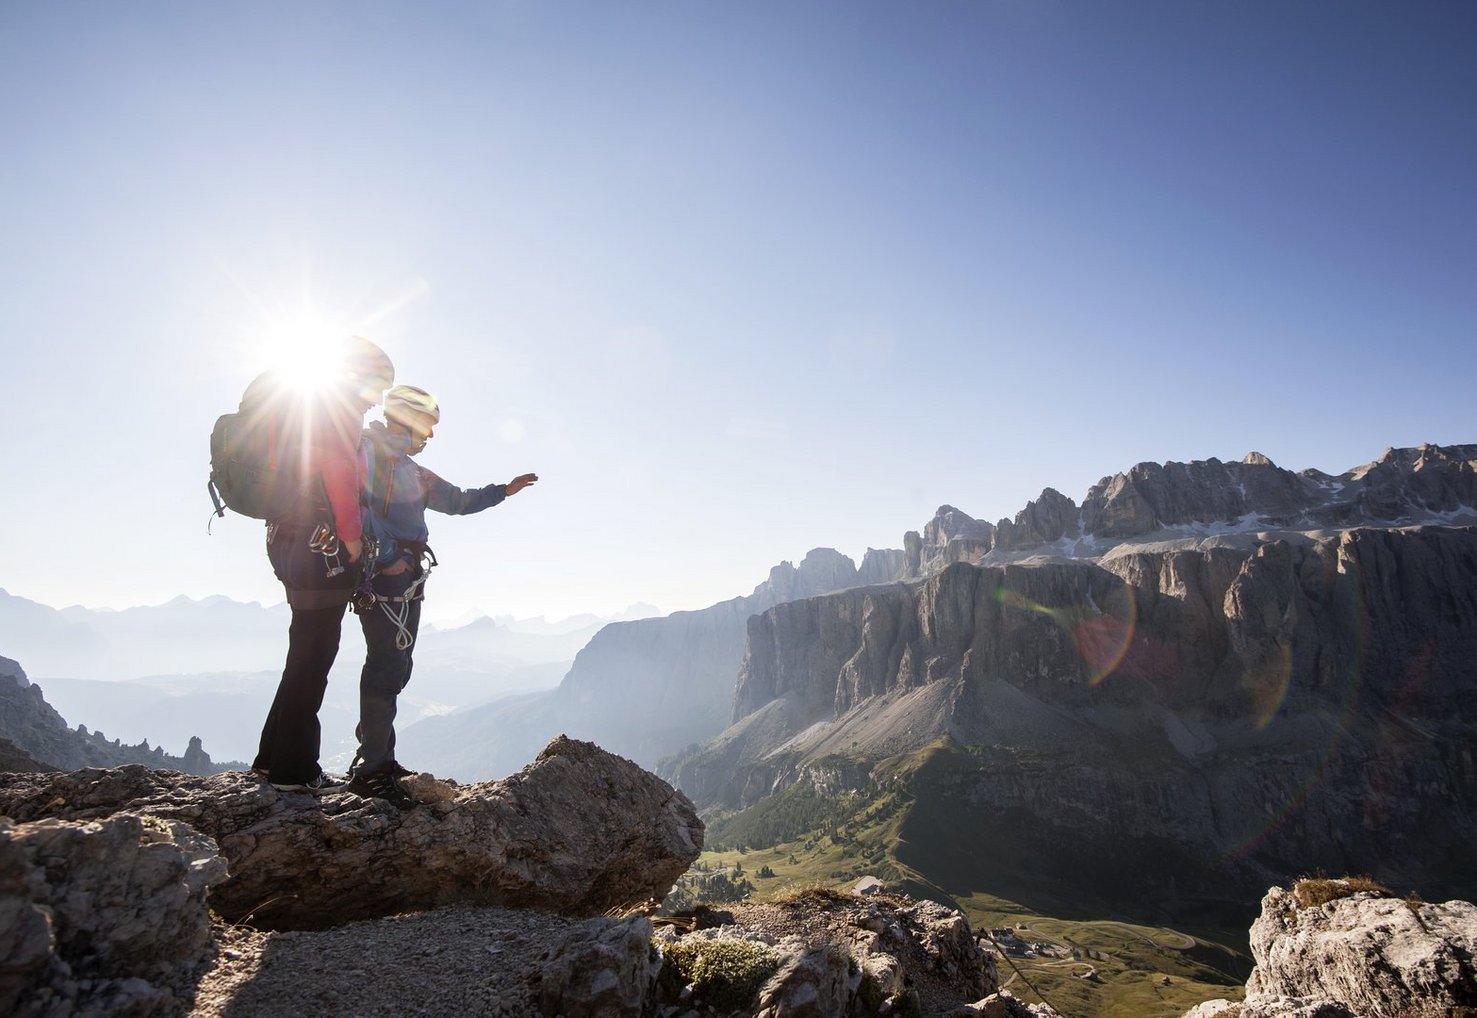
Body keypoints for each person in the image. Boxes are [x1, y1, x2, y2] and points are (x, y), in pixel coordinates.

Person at [346, 384, 537, 807]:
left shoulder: (411, 470)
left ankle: (379, 757)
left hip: (407, 579)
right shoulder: (368, 454)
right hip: (383, 579)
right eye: (426, 428)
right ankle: (371, 769)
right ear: (407, 421)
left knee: (397, 667)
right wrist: (389, 558)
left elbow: (458, 501)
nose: (428, 437)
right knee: (385, 665)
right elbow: (354, 510)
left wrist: (502, 491)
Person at [252, 336, 395, 792]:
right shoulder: (339, 414)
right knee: (315, 656)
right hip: (323, 549)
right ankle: (295, 770)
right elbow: (340, 476)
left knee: (302, 652)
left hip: (289, 540)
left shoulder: (305, 412)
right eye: (379, 385)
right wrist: (352, 543)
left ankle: (270, 758)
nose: (378, 399)